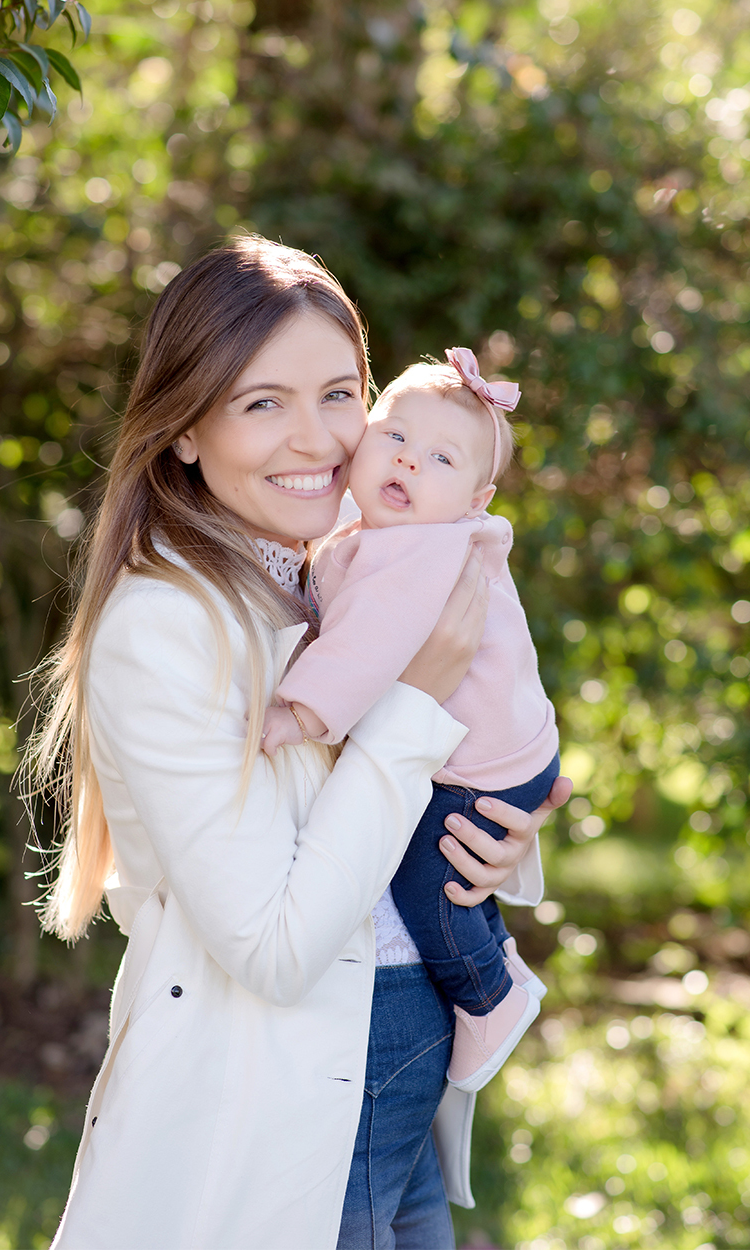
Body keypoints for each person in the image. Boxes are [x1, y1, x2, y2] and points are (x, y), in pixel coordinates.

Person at [26, 236, 570, 1250]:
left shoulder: (334, 569)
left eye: (337, 393)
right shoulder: (165, 624)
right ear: (185, 430)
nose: (315, 437)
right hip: (281, 1103)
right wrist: (416, 700)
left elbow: (392, 794)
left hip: (393, 1072)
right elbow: (275, 947)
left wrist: (499, 839)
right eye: (261, 402)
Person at [263, 353, 559, 1098]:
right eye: (393, 435)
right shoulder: (387, 530)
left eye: (440, 458)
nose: (407, 461)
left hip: (481, 768)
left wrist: (300, 710)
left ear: (475, 497)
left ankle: (490, 995)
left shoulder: (420, 549)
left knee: (429, 882)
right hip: (501, 746)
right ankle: (498, 961)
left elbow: (366, 646)